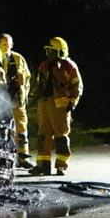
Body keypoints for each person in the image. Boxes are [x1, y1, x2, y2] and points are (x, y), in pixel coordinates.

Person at [29, 37, 83, 176]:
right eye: (47, 51)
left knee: (61, 136)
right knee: (43, 136)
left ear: (60, 52)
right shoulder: (44, 66)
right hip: (45, 103)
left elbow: (77, 86)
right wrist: (32, 99)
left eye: (51, 51)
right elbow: (39, 85)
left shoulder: (69, 66)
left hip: (60, 104)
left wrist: (72, 103)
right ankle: (43, 165)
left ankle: (61, 166)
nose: (48, 54)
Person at [0, 34, 33, 169]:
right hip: (1, 102)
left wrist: (24, 96)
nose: (6, 47)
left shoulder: (19, 59)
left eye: (8, 44)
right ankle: (6, 159)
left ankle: (23, 158)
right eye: (3, 44)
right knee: (4, 130)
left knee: (21, 130)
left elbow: (27, 78)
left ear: (12, 45)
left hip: (17, 100)